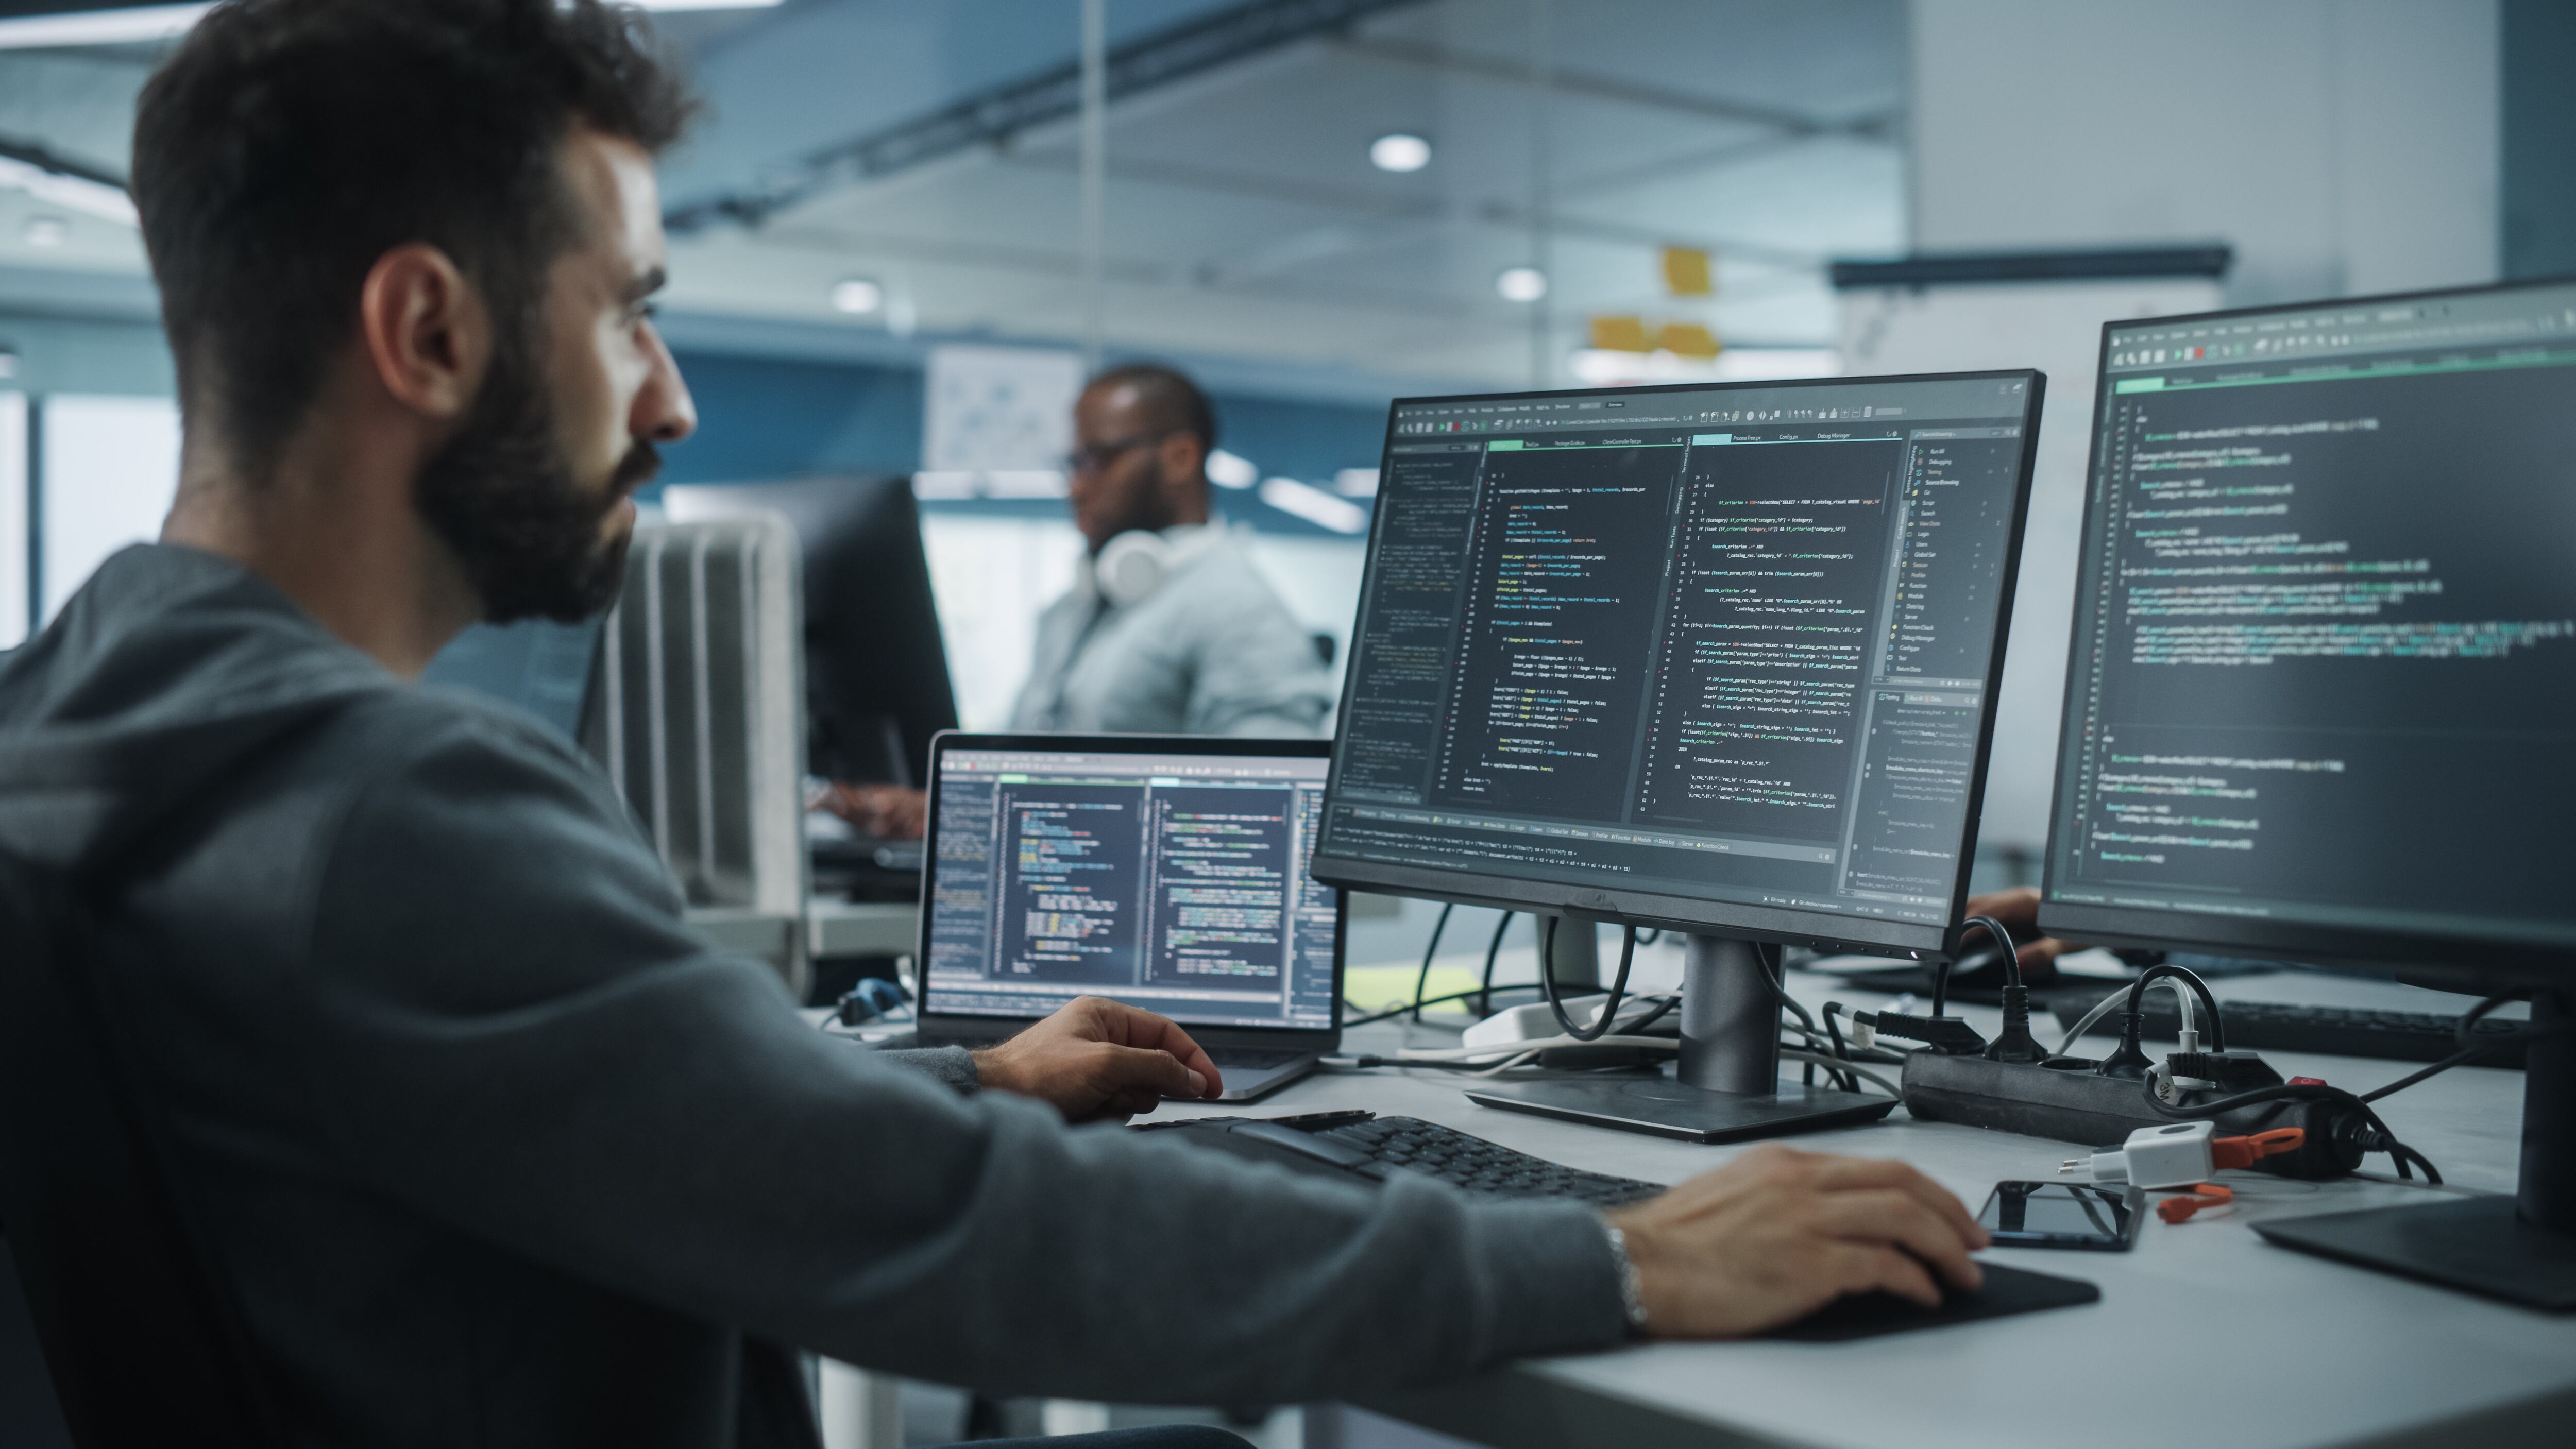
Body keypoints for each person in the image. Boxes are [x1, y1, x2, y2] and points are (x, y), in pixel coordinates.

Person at [0, 3, 1986, 1445]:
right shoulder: (391, 810)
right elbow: (970, 1245)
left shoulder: (82, 721)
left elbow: (665, 1140)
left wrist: (962, 1088)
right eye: (630, 313)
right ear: (427, 332)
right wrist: (1627, 1258)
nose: (669, 403)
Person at [1009, 364, 1339, 737]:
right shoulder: (1075, 608)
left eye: (1097, 460)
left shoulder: (1240, 612)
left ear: (1180, 457)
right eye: (1073, 464)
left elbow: (1270, 787)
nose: (1077, 488)